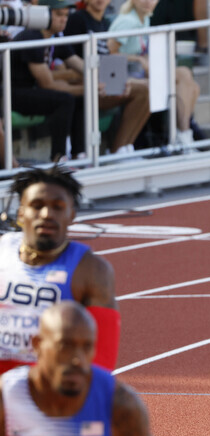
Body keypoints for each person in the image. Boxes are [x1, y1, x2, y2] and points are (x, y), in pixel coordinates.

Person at [0, 301, 160, 436]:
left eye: (87, 346)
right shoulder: (7, 397)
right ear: (37, 344)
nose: (78, 359)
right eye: (65, 346)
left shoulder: (119, 404)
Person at [0, 165, 120, 373]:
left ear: (71, 215)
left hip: (51, 392)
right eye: (37, 205)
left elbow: (102, 360)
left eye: (57, 206)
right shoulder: (3, 252)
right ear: (21, 213)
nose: (47, 214)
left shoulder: (91, 270)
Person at [108, 0, 201, 149]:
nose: (148, 2)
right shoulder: (127, 20)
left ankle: (183, 135)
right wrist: (137, 59)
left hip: (140, 71)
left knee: (192, 87)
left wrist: (145, 60)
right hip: (125, 74)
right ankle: (184, 136)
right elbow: (109, 53)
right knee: (184, 74)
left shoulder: (144, 18)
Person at [63, 0, 151, 156]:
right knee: (143, 89)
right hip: (82, 85)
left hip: (103, 81)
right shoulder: (77, 19)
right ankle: (118, 151)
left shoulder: (104, 23)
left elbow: (107, 60)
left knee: (148, 88)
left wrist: (122, 80)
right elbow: (66, 59)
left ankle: (124, 148)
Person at [9, 0, 84, 162]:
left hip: (31, 91)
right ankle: (59, 158)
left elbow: (82, 66)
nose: (64, 19)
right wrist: (88, 88)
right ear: (44, 14)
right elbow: (47, 84)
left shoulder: (55, 37)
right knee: (65, 100)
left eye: (66, 15)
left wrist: (104, 81)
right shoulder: (32, 36)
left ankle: (80, 154)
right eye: (58, 14)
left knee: (79, 97)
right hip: (12, 94)